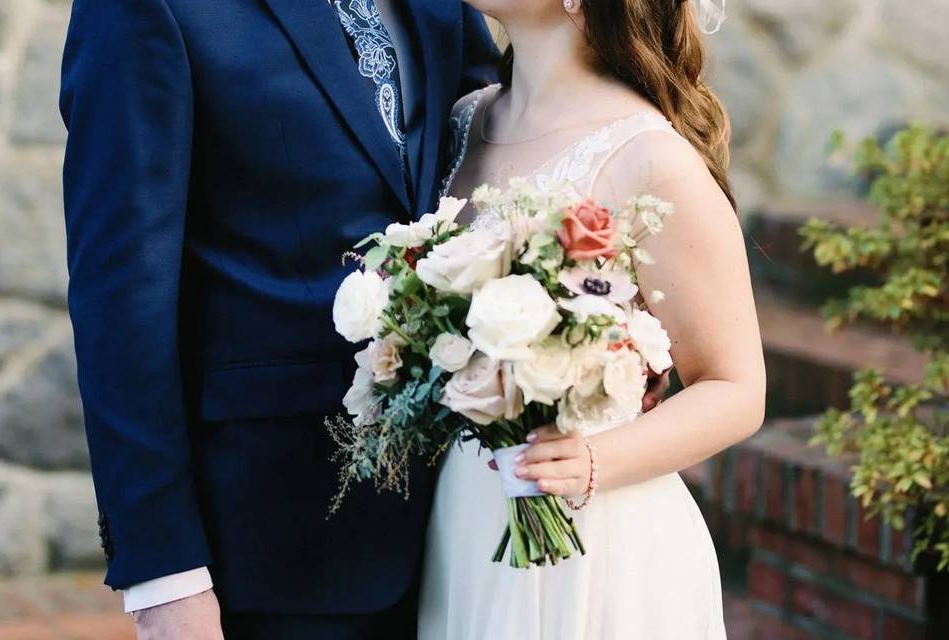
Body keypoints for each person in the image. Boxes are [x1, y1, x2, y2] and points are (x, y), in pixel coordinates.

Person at [58, 1, 501, 638]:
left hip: (477, 526)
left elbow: (511, 158)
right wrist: (163, 573)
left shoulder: (451, 6)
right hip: (280, 545)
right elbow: (120, 296)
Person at [419, 0, 764, 638]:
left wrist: (592, 460)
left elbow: (736, 389)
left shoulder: (651, 157)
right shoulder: (465, 120)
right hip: (466, 518)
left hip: (589, 533)